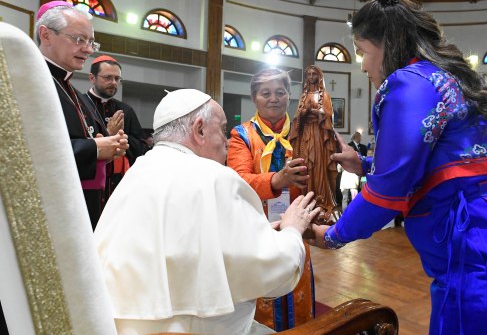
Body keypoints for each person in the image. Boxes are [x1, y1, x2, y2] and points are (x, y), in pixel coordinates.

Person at [309, 0, 487, 334]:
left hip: (486, 254)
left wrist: (332, 236)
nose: (362, 65)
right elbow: (457, 160)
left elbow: (387, 193)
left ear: (387, 44)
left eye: (363, 52)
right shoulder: (456, 78)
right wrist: (363, 163)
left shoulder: (407, 83)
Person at [95, 89, 321, 335]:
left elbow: (182, 242)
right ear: (199, 129)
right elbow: (272, 271)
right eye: (222, 130)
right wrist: (291, 230)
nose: (226, 141)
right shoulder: (214, 177)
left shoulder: (136, 174)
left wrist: (256, 231)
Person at [226, 68, 315, 331]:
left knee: (298, 289)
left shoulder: (304, 133)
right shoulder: (241, 135)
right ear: (255, 98)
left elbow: (319, 174)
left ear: (289, 96)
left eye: (280, 92)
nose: (273, 98)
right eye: (266, 93)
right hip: (257, 227)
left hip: (297, 224)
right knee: (263, 296)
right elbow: (237, 181)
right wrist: (278, 180)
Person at [36, 1, 129, 228]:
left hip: (82, 205)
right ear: (45, 35)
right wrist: (96, 148)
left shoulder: (71, 90)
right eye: (79, 39)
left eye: (90, 42)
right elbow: (34, 151)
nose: (87, 49)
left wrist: (108, 144)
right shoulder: (31, 84)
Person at [85, 55, 148, 196]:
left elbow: (142, 148)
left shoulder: (125, 110)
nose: (113, 82)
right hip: (89, 183)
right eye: (107, 77)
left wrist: (120, 137)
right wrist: (108, 135)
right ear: (92, 78)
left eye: (117, 79)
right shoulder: (79, 104)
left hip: (119, 184)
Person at [290, 65, 339, 223]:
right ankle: (307, 200)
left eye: (314, 74)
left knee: (318, 165)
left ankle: (323, 201)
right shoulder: (304, 96)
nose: (311, 76)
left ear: (319, 76)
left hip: (319, 136)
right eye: (308, 74)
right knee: (306, 166)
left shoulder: (323, 95)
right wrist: (303, 113)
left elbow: (328, 115)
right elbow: (297, 117)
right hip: (306, 135)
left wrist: (316, 112)